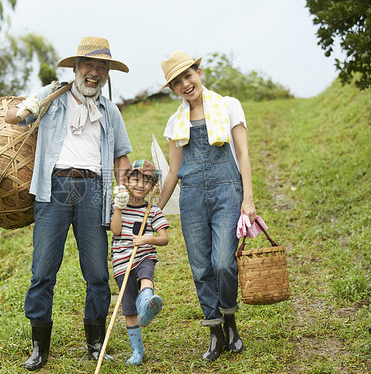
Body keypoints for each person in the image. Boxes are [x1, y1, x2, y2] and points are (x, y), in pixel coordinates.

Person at [4, 36, 132, 371]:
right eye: (88, 65)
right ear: (75, 68)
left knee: (97, 274)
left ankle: (94, 345)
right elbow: (13, 119)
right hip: (54, 188)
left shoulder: (110, 111)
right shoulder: (53, 96)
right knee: (43, 271)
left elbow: (122, 158)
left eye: (101, 67)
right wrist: (28, 105)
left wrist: (125, 194)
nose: (94, 72)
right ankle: (38, 348)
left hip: (93, 191)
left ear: (106, 74)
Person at [157, 51, 257, 361]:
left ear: (199, 72)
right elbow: (173, 171)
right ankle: (215, 331)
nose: (185, 84)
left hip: (227, 191)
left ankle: (229, 319)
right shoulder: (176, 122)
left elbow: (242, 155)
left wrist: (248, 199)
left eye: (188, 76)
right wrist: (156, 207)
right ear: (173, 89)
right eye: (177, 82)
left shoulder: (228, 106)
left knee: (224, 263)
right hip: (192, 199)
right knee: (201, 268)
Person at [110, 159, 169, 366]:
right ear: (126, 181)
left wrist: (146, 239)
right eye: (135, 179)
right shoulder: (120, 205)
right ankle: (137, 351)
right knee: (128, 307)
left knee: (146, 274)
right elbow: (116, 230)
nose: (140, 185)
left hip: (143, 254)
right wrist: (118, 207)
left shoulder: (153, 211)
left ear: (153, 187)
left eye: (146, 182)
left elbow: (164, 239)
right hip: (121, 261)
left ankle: (147, 301)